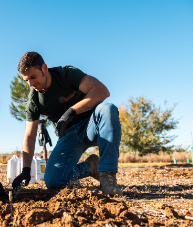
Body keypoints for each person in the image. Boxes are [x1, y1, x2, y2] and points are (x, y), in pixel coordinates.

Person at [12, 52, 123, 196]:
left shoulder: (66, 74)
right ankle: (91, 167)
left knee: (108, 109)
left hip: (92, 124)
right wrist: (26, 170)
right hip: (69, 134)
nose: (31, 84)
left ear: (44, 68)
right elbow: (29, 136)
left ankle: (108, 177)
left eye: (33, 77)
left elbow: (102, 91)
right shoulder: (34, 100)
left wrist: (71, 111)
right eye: (26, 80)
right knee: (53, 181)